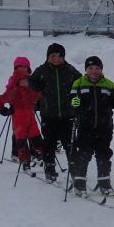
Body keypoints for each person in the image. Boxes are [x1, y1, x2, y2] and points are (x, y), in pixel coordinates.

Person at [67, 56, 114, 197]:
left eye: (97, 68)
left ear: (101, 70)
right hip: (85, 126)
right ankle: (80, 183)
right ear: (86, 70)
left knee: (104, 155)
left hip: (104, 127)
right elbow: (71, 102)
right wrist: (74, 103)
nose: (94, 71)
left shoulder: (109, 84)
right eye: (90, 68)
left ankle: (104, 182)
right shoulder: (78, 83)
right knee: (84, 154)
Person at [29, 43, 82, 182]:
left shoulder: (69, 70)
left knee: (70, 143)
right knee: (49, 143)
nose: (56, 59)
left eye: (59, 56)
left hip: (67, 113)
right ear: (48, 57)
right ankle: (49, 168)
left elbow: (81, 81)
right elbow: (31, 81)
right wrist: (39, 86)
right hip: (48, 113)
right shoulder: (42, 70)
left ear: (64, 57)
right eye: (53, 56)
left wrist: (75, 94)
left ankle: (74, 168)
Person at [0, 57, 44, 171]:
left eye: (25, 67)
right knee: (21, 141)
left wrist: (39, 103)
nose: (25, 82)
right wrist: (4, 110)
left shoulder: (32, 89)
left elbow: (40, 96)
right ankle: (24, 160)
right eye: (20, 67)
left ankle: (41, 156)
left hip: (31, 119)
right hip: (19, 119)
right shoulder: (13, 90)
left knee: (37, 138)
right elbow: (1, 100)